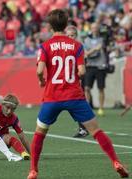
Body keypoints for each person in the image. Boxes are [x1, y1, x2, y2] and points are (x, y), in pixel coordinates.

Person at [27, 9, 129, 179]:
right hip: (74, 95)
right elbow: (82, 71)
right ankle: (116, 162)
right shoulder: (77, 46)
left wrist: (41, 80)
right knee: (96, 131)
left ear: (50, 26)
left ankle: (33, 170)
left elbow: (39, 70)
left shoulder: (44, 46)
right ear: (66, 25)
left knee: (39, 134)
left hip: (52, 97)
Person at [65, 25, 89, 138]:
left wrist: (78, 79)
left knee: (75, 104)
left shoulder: (78, 47)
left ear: (76, 36)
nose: (70, 37)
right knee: (72, 104)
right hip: (68, 80)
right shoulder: (64, 48)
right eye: (68, 35)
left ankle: (84, 128)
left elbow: (82, 66)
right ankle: (84, 127)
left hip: (76, 79)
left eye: (72, 35)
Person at [84, 22, 108, 116]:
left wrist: (93, 50)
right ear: (91, 28)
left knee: (101, 88)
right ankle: (88, 108)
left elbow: (103, 48)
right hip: (90, 66)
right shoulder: (86, 40)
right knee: (87, 88)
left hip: (100, 66)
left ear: (98, 29)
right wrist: (94, 49)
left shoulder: (103, 39)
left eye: (96, 27)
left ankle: (101, 108)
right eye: (93, 27)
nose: (95, 29)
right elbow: (86, 54)